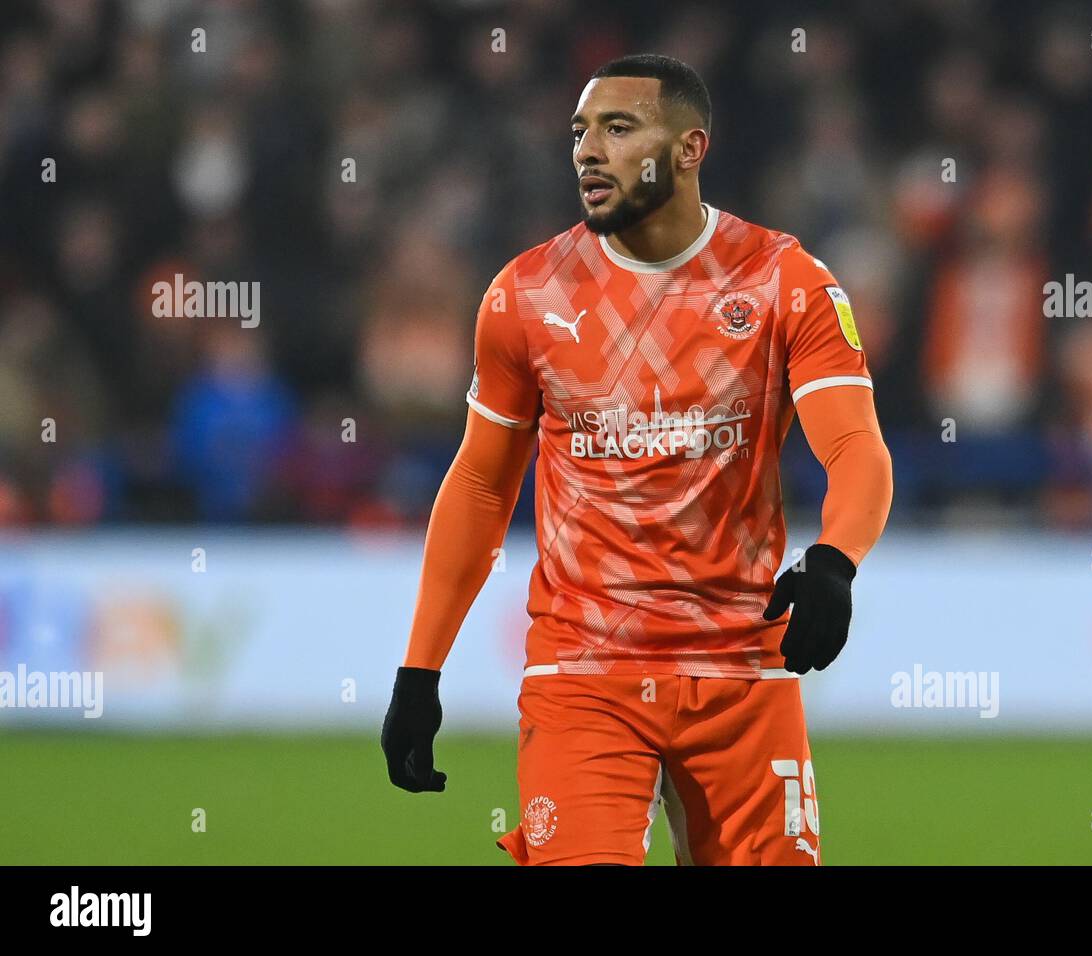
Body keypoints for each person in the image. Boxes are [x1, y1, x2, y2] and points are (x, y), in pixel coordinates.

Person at [381, 53, 893, 866]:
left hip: (741, 668)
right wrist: (419, 671)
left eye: (619, 128)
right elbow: (481, 484)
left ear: (690, 149)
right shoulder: (525, 297)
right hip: (584, 668)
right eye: (581, 131)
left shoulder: (785, 282)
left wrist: (836, 558)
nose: (589, 149)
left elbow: (856, 444)